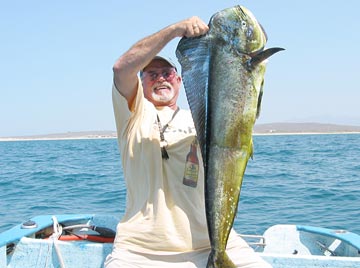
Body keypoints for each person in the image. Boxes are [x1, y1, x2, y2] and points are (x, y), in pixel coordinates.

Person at [105, 16, 272, 268]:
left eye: (167, 73)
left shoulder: (204, 118)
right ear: (140, 83)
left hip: (213, 243)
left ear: (180, 80)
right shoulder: (133, 114)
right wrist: (175, 30)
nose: (161, 78)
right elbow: (121, 68)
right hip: (139, 250)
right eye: (152, 74)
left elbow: (252, 62)